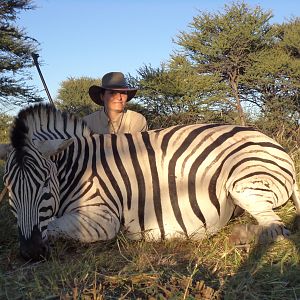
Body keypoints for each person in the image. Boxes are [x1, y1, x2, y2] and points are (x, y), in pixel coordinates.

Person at [83, 72, 148, 134]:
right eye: (112, 93)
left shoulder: (136, 120)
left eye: (123, 93)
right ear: (102, 96)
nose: (119, 98)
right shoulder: (87, 123)